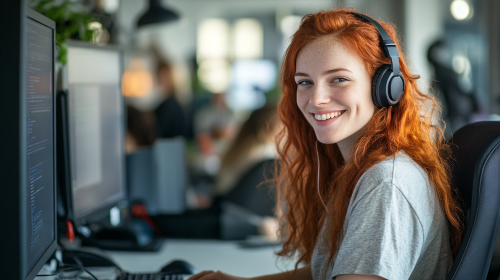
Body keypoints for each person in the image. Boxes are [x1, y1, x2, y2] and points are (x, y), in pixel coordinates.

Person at [189, 8, 463, 280]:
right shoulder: (355, 172)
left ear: (385, 87)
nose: (316, 98)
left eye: (339, 79)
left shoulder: (385, 183)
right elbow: (324, 273)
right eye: (305, 82)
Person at [214, 104, 281, 196]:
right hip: (240, 206)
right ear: (275, 126)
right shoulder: (267, 153)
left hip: (224, 202)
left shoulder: (240, 147)